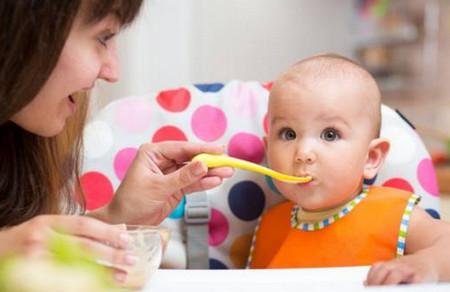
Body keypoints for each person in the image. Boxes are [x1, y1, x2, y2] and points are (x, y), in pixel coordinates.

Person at [0, 0, 232, 284]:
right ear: (19, 31)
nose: (113, 71)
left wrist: (113, 218)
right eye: (103, 37)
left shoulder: (19, 148)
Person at [247, 54, 450, 285]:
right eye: (288, 134)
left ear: (371, 157)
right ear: (268, 150)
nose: (303, 152)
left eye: (330, 135)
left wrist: (426, 265)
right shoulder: (270, 227)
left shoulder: (392, 214)